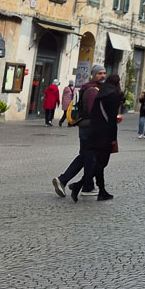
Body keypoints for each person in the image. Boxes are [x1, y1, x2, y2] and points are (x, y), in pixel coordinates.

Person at [51, 66, 105, 198]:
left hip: (86, 127)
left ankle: (87, 186)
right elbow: (94, 111)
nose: (103, 76)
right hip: (91, 128)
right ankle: (66, 180)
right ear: (93, 75)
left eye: (104, 73)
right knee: (90, 157)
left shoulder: (88, 88)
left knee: (87, 157)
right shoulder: (92, 91)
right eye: (99, 73)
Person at [74, 71, 122, 200]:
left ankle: (101, 190)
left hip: (94, 131)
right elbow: (112, 120)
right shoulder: (113, 95)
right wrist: (113, 138)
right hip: (105, 134)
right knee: (101, 163)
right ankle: (79, 185)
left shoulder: (100, 92)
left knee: (98, 162)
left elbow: (93, 113)